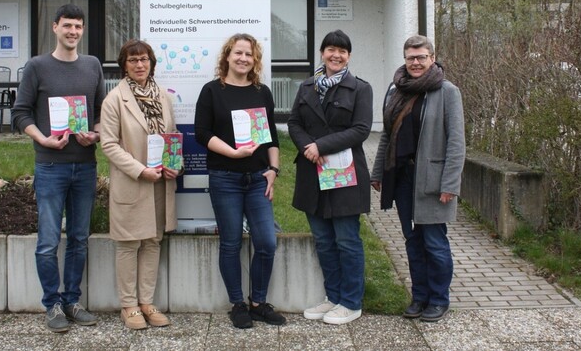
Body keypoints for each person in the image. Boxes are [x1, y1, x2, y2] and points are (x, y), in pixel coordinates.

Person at [11, 4, 105, 333]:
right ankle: (52, 304)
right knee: (48, 241)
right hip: (50, 165)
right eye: (67, 26)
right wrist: (43, 139)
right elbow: (21, 113)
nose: (73, 32)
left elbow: (99, 114)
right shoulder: (37, 67)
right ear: (55, 28)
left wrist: (95, 133)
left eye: (78, 27)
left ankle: (72, 300)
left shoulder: (92, 65)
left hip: (85, 165)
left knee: (79, 238)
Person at [194, 33, 286, 329]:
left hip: (258, 179)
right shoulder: (211, 91)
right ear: (228, 56)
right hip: (225, 178)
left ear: (255, 60)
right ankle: (237, 304)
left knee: (266, 242)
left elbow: (271, 137)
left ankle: (258, 302)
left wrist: (274, 170)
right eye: (238, 53)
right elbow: (202, 134)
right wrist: (233, 153)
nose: (244, 58)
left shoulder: (262, 93)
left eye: (249, 54)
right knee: (231, 243)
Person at [371, 35, 465, 323]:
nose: (415, 62)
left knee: (434, 242)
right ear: (405, 59)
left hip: (432, 180)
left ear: (432, 58)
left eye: (421, 57)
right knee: (412, 240)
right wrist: (377, 173)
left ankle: (438, 299)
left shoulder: (447, 91)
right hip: (401, 177)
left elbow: (456, 142)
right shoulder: (396, 90)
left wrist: (450, 183)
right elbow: (387, 134)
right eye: (411, 57)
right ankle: (419, 296)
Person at [287, 29, 373, 325]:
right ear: (322, 53)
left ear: (349, 56)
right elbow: (294, 122)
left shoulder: (360, 88)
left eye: (343, 51)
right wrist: (307, 148)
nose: (336, 55)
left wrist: (320, 145)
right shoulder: (307, 86)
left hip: (344, 174)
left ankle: (351, 302)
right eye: (331, 49)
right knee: (323, 240)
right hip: (313, 173)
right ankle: (333, 297)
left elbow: (361, 129)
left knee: (347, 239)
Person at [100, 40, 179, 330]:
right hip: (133, 182)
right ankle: (129, 305)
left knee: (152, 240)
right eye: (133, 60)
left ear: (152, 62)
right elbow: (108, 144)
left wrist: (174, 163)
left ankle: (147, 302)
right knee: (129, 242)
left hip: (159, 182)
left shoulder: (163, 96)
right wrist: (140, 170)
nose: (139, 65)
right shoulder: (114, 100)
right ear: (124, 65)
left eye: (144, 59)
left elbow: (171, 134)